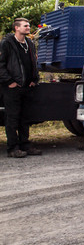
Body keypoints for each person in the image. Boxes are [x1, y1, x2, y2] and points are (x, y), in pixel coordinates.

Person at [0, 18, 42, 158]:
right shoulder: (7, 43)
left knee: (25, 118)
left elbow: (33, 62)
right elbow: (1, 65)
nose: (28, 27)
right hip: (12, 88)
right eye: (25, 26)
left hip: (26, 87)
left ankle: (25, 144)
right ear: (16, 28)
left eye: (29, 25)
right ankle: (13, 148)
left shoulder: (29, 43)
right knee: (12, 118)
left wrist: (34, 79)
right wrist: (9, 81)